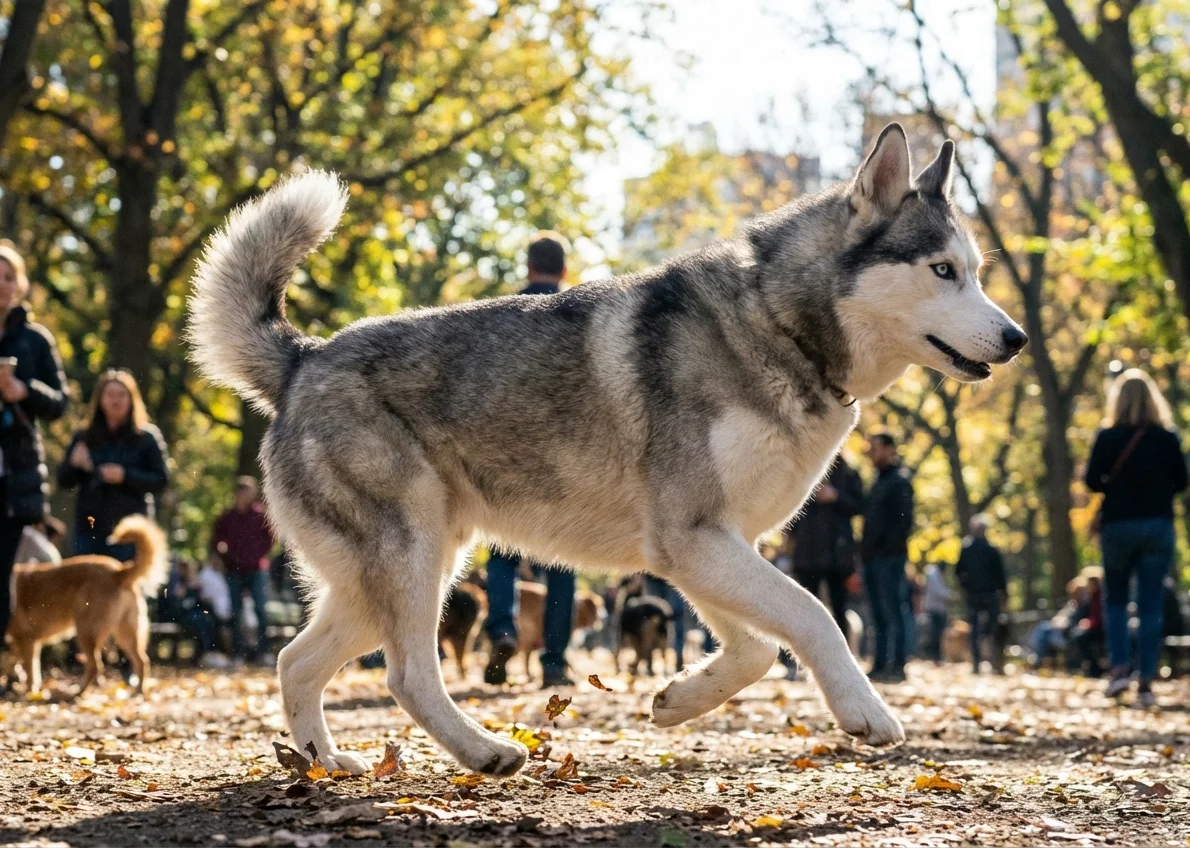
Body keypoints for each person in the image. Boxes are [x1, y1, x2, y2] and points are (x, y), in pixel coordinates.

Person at [482, 232, 577, 689]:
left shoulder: (502, 316)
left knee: (502, 555)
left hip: (507, 453)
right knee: (562, 560)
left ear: (527, 266)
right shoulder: (580, 311)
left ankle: (502, 627)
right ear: (562, 270)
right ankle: (554, 661)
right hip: (565, 457)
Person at [1086, 368, 1188, 706]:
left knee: (1114, 600)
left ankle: (1119, 670)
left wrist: (1115, 484)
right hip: (1157, 525)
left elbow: (1091, 481)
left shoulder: (1108, 436)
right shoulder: (1167, 437)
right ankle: (1146, 680)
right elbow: (1182, 481)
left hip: (1117, 526)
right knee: (1151, 603)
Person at [0, 244, 68, 685]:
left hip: (15, 478)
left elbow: (60, 402)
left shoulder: (35, 339)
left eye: (8, 277)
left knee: (1, 573)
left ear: (19, 285)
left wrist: (23, 391)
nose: (1, 286)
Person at [58, 369, 168, 561]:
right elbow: (64, 481)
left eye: (121, 395)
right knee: (90, 589)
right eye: (109, 394)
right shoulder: (84, 437)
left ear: (132, 399)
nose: (115, 400)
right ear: (100, 399)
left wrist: (125, 476)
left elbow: (161, 480)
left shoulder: (147, 438)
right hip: (90, 529)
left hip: (130, 530)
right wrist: (73, 464)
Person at [787, 455, 864, 640]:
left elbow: (860, 506)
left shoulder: (849, 473)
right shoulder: (802, 468)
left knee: (839, 608)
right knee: (804, 608)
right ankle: (802, 656)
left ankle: (841, 658)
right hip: (807, 555)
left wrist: (835, 496)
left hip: (838, 557)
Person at [860, 431, 915, 683]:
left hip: (889, 558)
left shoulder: (899, 481)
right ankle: (880, 663)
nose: (872, 452)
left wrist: (886, 550)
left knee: (894, 610)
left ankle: (898, 664)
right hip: (872, 558)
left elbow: (903, 523)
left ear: (890, 449)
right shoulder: (877, 481)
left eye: (876, 447)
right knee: (878, 613)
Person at [210, 476, 276, 664]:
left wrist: (260, 555)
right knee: (235, 612)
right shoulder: (227, 517)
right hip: (233, 570)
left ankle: (264, 652)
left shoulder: (260, 515)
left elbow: (271, 538)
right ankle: (238, 654)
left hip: (256, 570)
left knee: (261, 611)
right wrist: (223, 558)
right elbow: (216, 541)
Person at [955, 514, 1008, 673]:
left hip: (974, 594)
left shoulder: (967, 548)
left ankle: (979, 663)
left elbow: (958, 572)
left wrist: (964, 586)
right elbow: (1000, 575)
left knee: (976, 628)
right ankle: (991, 662)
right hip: (987, 594)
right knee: (990, 628)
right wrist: (1004, 593)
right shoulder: (991, 549)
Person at [921, 562, 952, 664]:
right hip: (934, 608)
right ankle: (935, 657)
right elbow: (937, 591)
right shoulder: (932, 573)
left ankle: (939, 657)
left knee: (940, 634)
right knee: (935, 634)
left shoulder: (937, 573)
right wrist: (949, 596)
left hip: (940, 608)